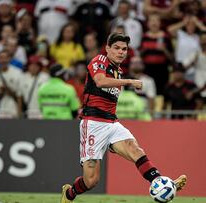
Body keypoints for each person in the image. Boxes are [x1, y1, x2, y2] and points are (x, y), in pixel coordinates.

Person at [60, 33, 187, 203]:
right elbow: (100, 82)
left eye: (124, 49)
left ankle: (161, 183)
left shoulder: (119, 71)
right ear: (107, 49)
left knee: (136, 150)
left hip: (112, 123)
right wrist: (129, 82)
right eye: (117, 48)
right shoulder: (99, 61)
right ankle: (69, 194)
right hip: (93, 124)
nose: (121, 52)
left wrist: (124, 81)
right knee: (91, 181)